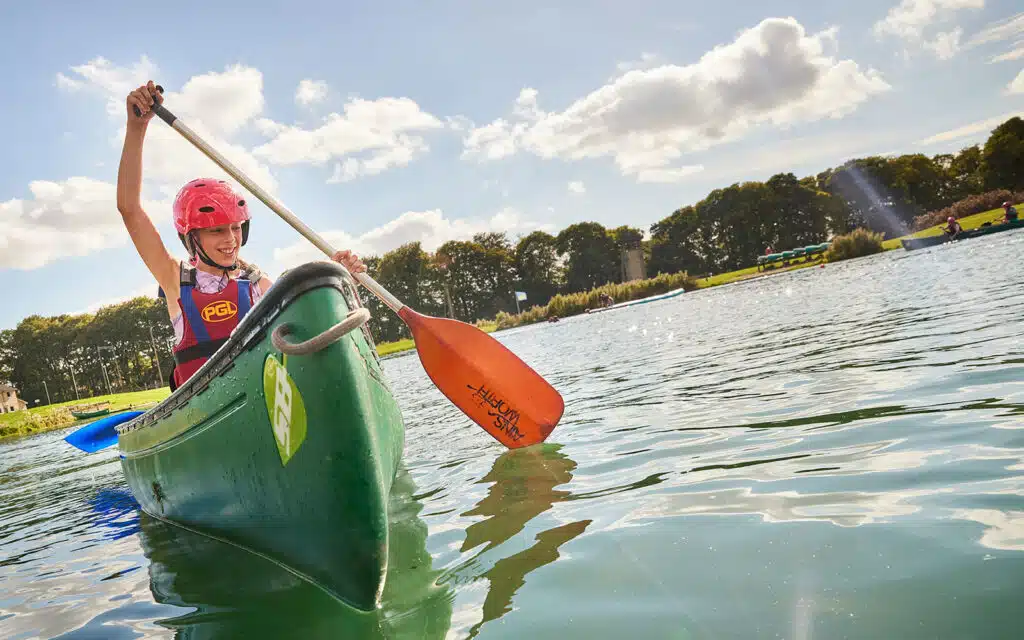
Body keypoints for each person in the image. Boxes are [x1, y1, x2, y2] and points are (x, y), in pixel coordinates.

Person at [118, 81, 367, 390]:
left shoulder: (257, 284)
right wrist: (136, 127)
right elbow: (129, 209)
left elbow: (308, 325)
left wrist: (340, 281)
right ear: (192, 237)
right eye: (217, 231)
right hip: (207, 408)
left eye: (236, 228)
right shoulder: (173, 280)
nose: (231, 239)